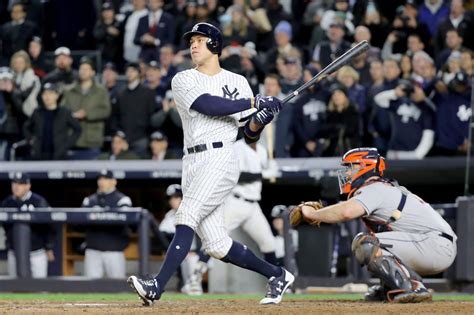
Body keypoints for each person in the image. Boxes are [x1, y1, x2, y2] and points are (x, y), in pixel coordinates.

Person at [127, 22, 293, 306]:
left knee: (186, 214)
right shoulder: (183, 79)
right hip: (192, 160)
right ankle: (278, 274)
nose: (193, 45)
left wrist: (261, 119)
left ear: (214, 44)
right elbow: (209, 105)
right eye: (191, 41)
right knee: (217, 245)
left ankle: (157, 286)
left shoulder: (238, 81)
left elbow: (248, 133)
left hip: (221, 158)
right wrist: (255, 100)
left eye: (200, 40)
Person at [290, 147, 457, 303]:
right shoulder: (381, 187)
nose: (346, 172)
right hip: (431, 243)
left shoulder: (375, 188)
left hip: (435, 245)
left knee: (366, 243)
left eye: (350, 167)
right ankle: (391, 287)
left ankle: (414, 287)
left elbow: (346, 212)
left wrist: (312, 214)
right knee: (377, 243)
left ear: (365, 166)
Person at [181, 138, 279, 295]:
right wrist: (264, 173)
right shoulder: (237, 147)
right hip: (235, 201)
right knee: (214, 240)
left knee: (269, 243)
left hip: (253, 206)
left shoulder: (262, 150)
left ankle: (277, 280)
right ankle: (194, 280)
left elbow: (261, 174)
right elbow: (238, 176)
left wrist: (271, 167)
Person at [0, 172, 55, 278]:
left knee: (39, 289)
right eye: (14, 183)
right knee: (15, 289)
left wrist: (48, 247)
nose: (16, 187)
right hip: (14, 253)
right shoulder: (7, 203)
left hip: (36, 253)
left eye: (20, 184)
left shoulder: (38, 202)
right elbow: (5, 227)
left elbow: (50, 226)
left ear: (28, 186)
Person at [81, 170, 132, 279]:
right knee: (91, 287)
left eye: (106, 179)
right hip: (93, 249)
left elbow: (124, 222)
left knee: (118, 287)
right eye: (100, 179)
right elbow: (80, 223)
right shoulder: (89, 200)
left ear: (114, 182)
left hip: (114, 250)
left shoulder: (123, 199)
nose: (102, 182)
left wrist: (98, 216)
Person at [62, 57, 111, 160]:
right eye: (81, 69)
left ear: (93, 72)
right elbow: (62, 111)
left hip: (92, 140)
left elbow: (105, 111)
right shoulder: (68, 90)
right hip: (72, 139)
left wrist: (87, 114)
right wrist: (71, 116)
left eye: (86, 69)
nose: (83, 72)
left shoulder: (101, 91)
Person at [23, 82, 81, 160]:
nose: (47, 97)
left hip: (59, 155)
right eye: (45, 94)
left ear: (56, 95)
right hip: (40, 155)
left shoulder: (64, 112)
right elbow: (26, 127)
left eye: (50, 93)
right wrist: (31, 140)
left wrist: (66, 145)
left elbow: (78, 129)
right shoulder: (37, 112)